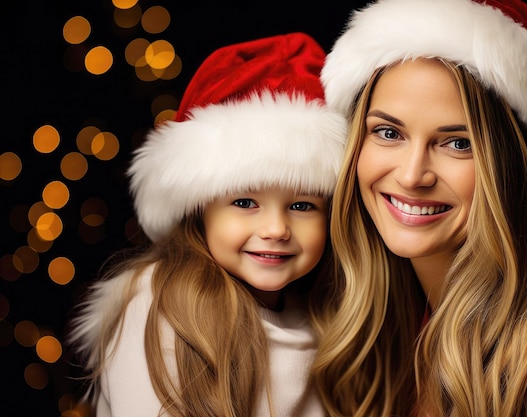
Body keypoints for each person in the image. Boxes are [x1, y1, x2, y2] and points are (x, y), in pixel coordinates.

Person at [311, 0, 527, 416]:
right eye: (388, 132)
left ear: (512, 165)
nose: (411, 175)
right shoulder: (374, 310)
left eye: (458, 143)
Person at [66, 32, 347, 417]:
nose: (276, 228)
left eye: (302, 205)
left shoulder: (324, 318)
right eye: (245, 202)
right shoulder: (162, 305)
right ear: (199, 209)